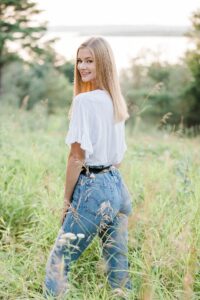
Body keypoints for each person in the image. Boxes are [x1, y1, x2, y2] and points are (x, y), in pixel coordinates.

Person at [44, 36, 133, 298]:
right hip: (117, 186)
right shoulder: (115, 100)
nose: (82, 67)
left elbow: (75, 157)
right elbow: (119, 157)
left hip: (93, 187)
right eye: (80, 60)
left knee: (58, 264)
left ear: (103, 63)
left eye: (89, 61)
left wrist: (66, 200)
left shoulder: (84, 101)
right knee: (118, 266)